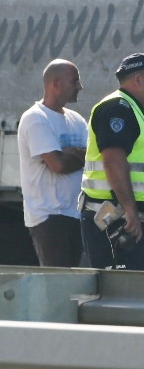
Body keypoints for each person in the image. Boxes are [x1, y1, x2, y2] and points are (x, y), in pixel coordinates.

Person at [80, 54, 144, 270]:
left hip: (126, 220)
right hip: (117, 219)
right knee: (118, 293)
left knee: (130, 293)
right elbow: (113, 161)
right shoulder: (118, 108)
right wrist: (130, 210)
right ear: (138, 79)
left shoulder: (133, 109)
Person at [16, 59, 89, 267]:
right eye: (74, 81)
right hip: (50, 218)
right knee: (58, 282)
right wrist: (78, 156)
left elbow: (93, 157)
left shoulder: (77, 119)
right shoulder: (35, 118)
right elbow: (58, 166)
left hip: (75, 214)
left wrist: (72, 153)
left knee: (74, 283)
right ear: (55, 84)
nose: (80, 87)